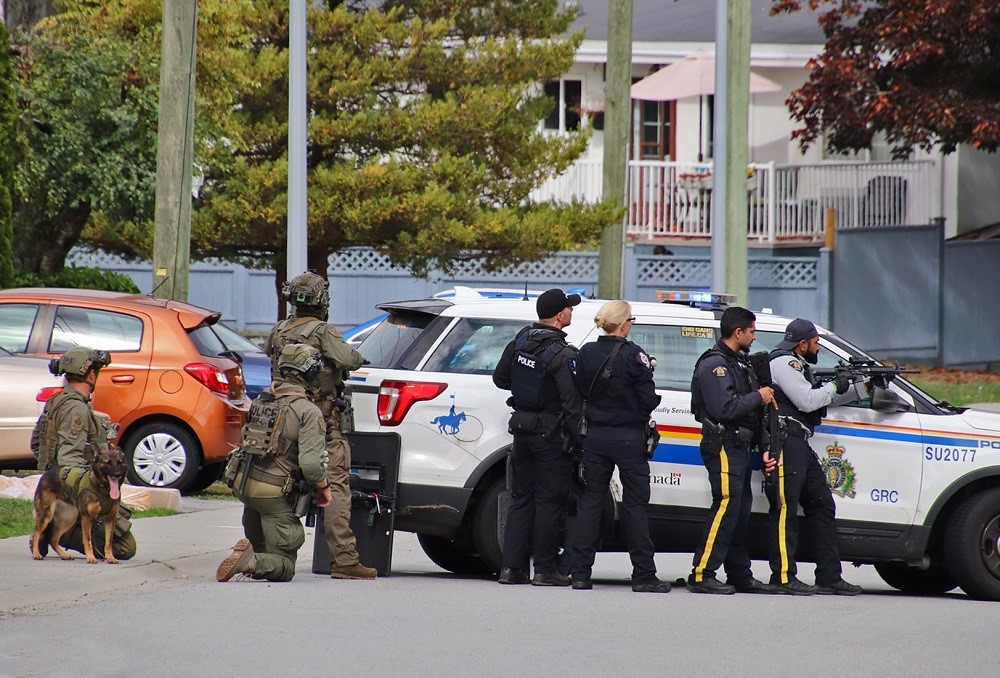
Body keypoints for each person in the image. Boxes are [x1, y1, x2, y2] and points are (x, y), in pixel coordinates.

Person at [264, 271, 375, 580]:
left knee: (280, 483)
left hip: (283, 421)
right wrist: (357, 356)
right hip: (322, 420)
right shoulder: (324, 331)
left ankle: (270, 551)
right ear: (322, 301)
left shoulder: (279, 329)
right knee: (336, 485)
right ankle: (345, 560)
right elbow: (348, 359)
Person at [569, 300, 670, 593]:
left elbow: (580, 390)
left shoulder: (586, 352)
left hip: (595, 437)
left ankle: (579, 574)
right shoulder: (633, 355)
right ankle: (643, 575)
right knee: (636, 506)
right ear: (624, 324)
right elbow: (648, 400)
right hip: (628, 438)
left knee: (591, 501)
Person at [764, 318, 866, 595]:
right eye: (816, 342)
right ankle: (783, 576)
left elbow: (821, 399)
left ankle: (829, 576)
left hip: (799, 441)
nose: (818, 346)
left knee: (822, 504)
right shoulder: (786, 363)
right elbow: (807, 400)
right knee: (786, 509)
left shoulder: (798, 364)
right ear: (803, 343)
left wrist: (858, 387)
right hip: (785, 441)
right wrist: (835, 385)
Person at [217, 343, 334, 582]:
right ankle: (250, 562)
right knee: (284, 565)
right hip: (274, 497)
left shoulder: (262, 401)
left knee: (264, 549)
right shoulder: (307, 411)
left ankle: (254, 555)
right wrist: (323, 487)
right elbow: (312, 467)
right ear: (311, 373)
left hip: (245, 489)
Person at [492, 288, 584, 586]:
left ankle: (511, 569)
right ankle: (544, 570)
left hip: (522, 430)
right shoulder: (563, 353)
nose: (571, 312)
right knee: (549, 502)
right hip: (550, 435)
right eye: (569, 309)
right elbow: (572, 405)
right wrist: (578, 440)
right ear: (559, 316)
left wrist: (528, 393)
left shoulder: (520, 342)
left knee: (521, 500)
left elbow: (501, 379)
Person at [688, 306, 777, 595]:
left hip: (741, 446)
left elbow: (754, 413)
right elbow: (724, 408)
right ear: (737, 332)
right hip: (724, 445)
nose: (754, 337)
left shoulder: (740, 363)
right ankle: (703, 573)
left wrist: (764, 446)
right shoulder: (716, 365)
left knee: (739, 513)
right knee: (726, 507)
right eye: (751, 331)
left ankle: (740, 573)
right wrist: (759, 396)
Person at [29, 346, 137, 561]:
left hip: (61, 484)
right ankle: (57, 532)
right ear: (90, 374)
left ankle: (55, 527)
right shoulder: (76, 409)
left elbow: (36, 445)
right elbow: (70, 460)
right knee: (125, 547)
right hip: (73, 492)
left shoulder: (55, 402)